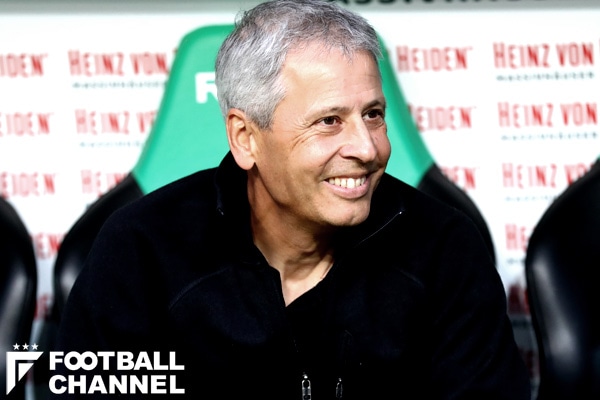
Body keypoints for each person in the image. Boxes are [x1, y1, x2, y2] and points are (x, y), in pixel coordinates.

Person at [51, 0, 531, 398]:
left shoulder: (446, 248)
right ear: (246, 138)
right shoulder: (139, 252)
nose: (367, 149)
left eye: (373, 114)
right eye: (329, 121)